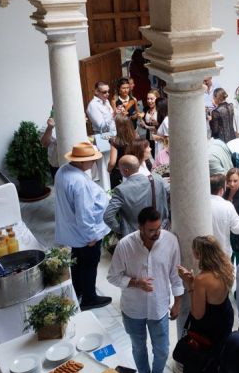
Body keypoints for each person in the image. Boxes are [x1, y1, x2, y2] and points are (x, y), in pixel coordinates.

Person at [106, 207, 182, 373]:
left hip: (159, 307)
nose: (157, 233)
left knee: (162, 350)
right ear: (140, 227)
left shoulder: (170, 241)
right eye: (151, 230)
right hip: (133, 309)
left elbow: (176, 275)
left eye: (159, 228)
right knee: (138, 347)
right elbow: (112, 276)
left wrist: (177, 303)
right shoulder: (125, 245)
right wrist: (136, 283)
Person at [174, 235, 235, 373]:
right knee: (220, 363)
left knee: (196, 371)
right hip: (224, 321)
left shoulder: (202, 279)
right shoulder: (226, 269)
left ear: (198, 254)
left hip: (207, 330)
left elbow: (198, 314)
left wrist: (190, 285)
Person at [53, 142, 112, 309]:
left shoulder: (63, 171)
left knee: (78, 262)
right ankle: (89, 298)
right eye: (91, 159)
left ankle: (78, 290)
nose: (94, 162)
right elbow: (84, 213)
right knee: (89, 263)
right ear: (81, 161)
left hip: (73, 230)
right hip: (85, 233)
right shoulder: (79, 181)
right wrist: (91, 236)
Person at [104, 155, 170, 236]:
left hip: (136, 235)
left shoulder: (120, 190)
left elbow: (108, 216)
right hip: (160, 230)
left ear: (125, 170)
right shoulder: (158, 179)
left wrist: (121, 230)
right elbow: (170, 194)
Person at [208, 173, 239, 260]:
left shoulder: (200, 204)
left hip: (204, 253)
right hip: (222, 253)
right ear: (221, 190)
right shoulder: (227, 206)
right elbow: (237, 229)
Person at [106, 113, 136, 187]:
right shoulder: (135, 138)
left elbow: (112, 162)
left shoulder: (115, 141)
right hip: (133, 170)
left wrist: (109, 169)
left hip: (119, 172)